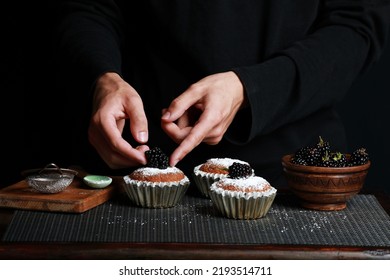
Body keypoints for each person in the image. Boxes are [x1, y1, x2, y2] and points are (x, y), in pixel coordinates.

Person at [51, 0, 390, 188]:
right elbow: (88, 8)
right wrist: (102, 78)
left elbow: (358, 25)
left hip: (290, 179)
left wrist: (250, 89)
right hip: (135, 166)